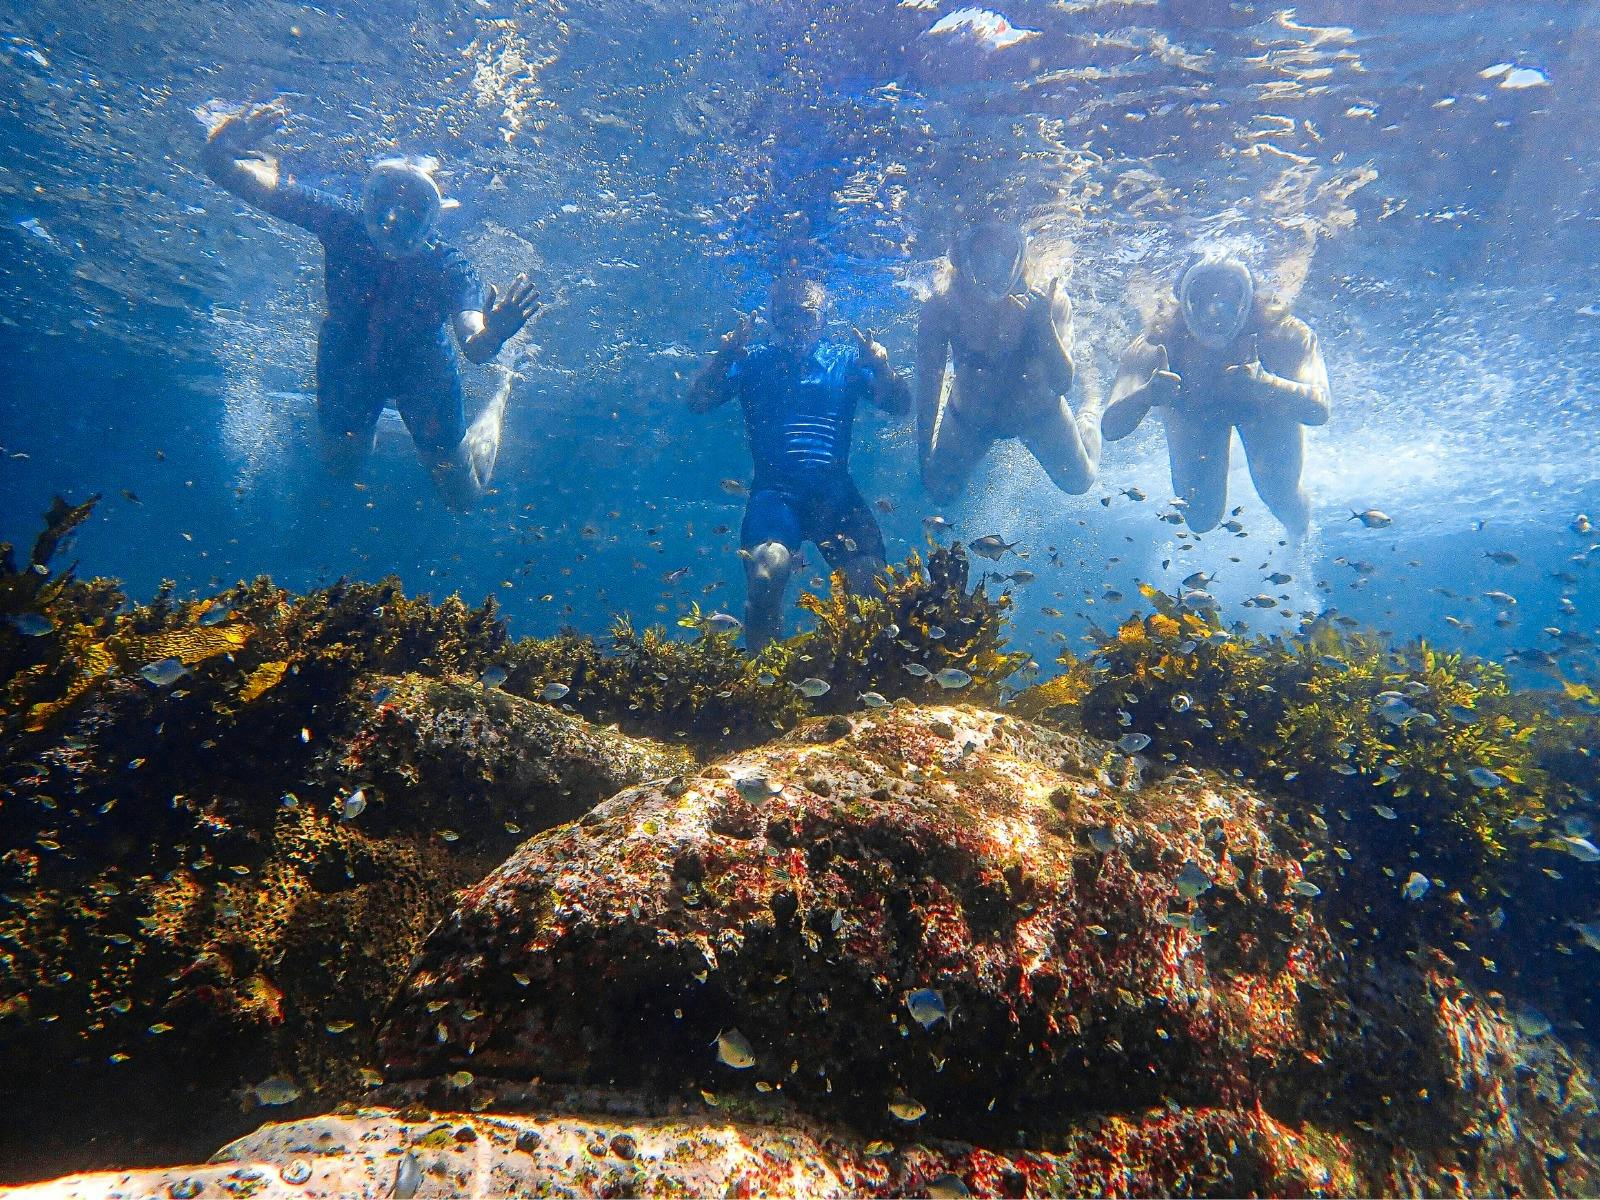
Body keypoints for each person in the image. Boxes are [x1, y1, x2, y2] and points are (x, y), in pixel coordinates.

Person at [199, 99, 541, 510]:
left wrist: (495, 335)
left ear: (434, 221)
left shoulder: (450, 267)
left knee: (461, 498)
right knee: (342, 471)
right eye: (383, 205)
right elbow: (228, 174)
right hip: (349, 359)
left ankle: (501, 396)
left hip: (422, 371)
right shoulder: (341, 221)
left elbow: (475, 346)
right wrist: (221, 146)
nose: (393, 223)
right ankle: (372, 427)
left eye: (412, 212)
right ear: (366, 203)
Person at [689, 274, 911, 648]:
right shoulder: (751, 361)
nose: (797, 326)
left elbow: (901, 406)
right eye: (788, 315)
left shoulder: (845, 360)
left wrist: (882, 366)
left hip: (836, 495)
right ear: (774, 319)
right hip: (775, 497)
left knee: (869, 583)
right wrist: (722, 357)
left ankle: (866, 680)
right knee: (764, 575)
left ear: (823, 319)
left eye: (807, 315)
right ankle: (765, 680)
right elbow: (697, 402)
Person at [1101, 254, 1330, 537]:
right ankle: (1227, 458)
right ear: (1183, 301)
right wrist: (1146, 396)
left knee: (1282, 497)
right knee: (1200, 518)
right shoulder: (1158, 342)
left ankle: (1300, 541)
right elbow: (1110, 428)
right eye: (1204, 297)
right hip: (1197, 412)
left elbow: (1319, 409)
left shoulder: (1284, 335)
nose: (1216, 311)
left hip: (1264, 408)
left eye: (1229, 298)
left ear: (1249, 299)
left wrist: (1266, 385)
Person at [915, 219, 1101, 501]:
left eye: (1004, 256)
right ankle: (949, 409)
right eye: (984, 256)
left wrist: (1044, 326)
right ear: (962, 257)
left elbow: (1063, 382)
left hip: (1038, 414)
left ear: (1020, 257)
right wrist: (924, 459)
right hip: (971, 419)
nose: (994, 269)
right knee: (939, 493)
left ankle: (1091, 409)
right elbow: (928, 386)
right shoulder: (942, 306)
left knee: (1080, 482)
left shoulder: (1048, 299)